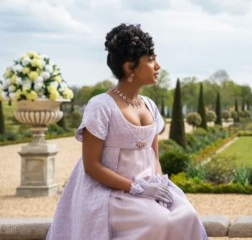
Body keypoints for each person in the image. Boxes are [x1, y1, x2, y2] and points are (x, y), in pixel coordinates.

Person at [47, 23, 207, 240]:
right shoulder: (101, 106)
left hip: (150, 189)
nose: (158, 65)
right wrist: (136, 188)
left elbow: (154, 158)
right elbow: (91, 166)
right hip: (112, 193)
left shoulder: (150, 105)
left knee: (186, 214)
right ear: (130, 68)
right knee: (160, 221)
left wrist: (158, 186)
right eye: (150, 60)